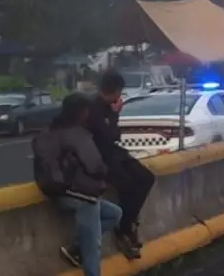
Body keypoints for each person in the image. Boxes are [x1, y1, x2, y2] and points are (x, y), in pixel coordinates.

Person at [34, 93, 122, 276]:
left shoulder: (49, 132)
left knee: (114, 214)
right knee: (93, 248)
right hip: (80, 196)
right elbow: (96, 166)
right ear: (82, 112)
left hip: (56, 192)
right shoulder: (76, 133)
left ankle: (75, 248)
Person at [87, 70, 155, 259]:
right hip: (101, 157)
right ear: (115, 91)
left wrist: (114, 116)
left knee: (146, 177)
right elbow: (107, 135)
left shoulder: (108, 107)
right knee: (128, 185)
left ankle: (129, 223)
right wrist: (115, 115)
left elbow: (115, 135)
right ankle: (124, 228)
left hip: (115, 153)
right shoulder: (93, 109)